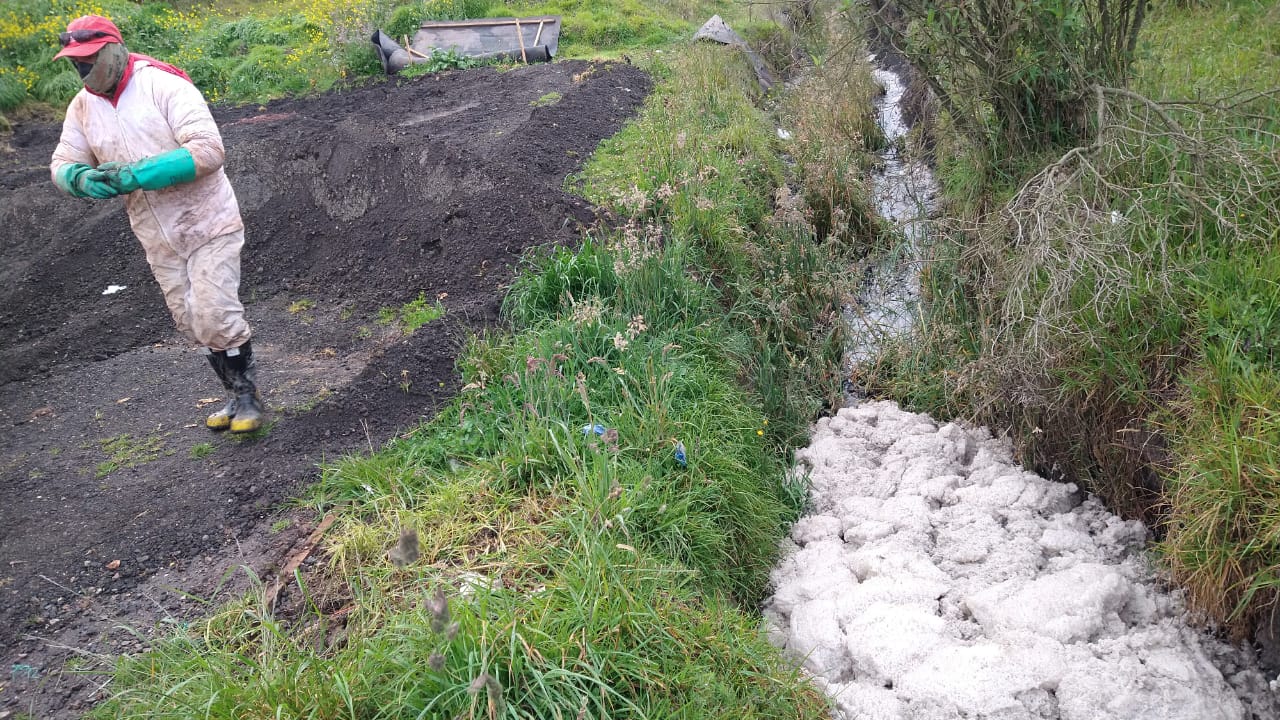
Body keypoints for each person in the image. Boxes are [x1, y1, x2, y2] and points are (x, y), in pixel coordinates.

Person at [49, 14, 265, 433]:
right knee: (189, 319)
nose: (83, 70)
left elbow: (208, 149)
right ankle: (231, 396)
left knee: (214, 311)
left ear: (113, 50)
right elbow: (62, 160)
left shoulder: (162, 85)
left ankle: (247, 398)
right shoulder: (83, 106)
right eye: (76, 62)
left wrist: (136, 174)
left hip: (206, 221)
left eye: (89, 59)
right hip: (156, 233)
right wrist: (78, 178)